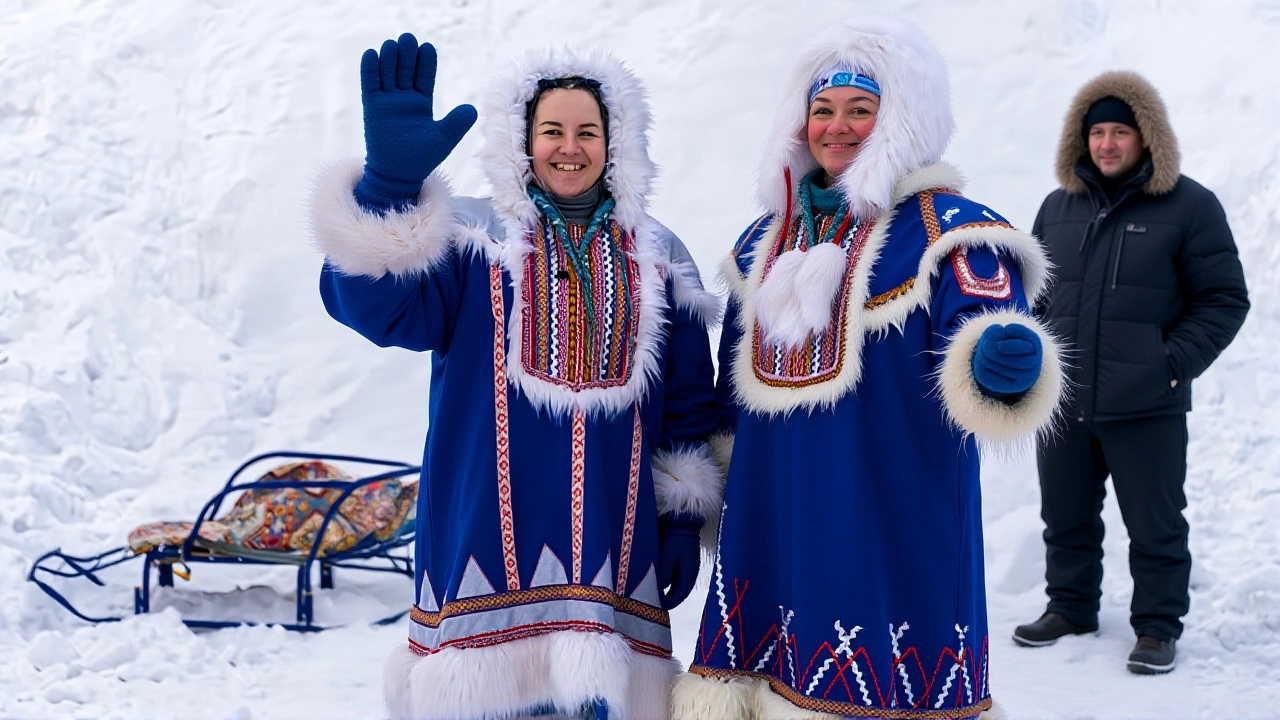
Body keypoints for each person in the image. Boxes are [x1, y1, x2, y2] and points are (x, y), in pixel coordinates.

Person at [309, 34, 723, 720]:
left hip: (615, 558)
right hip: (480, 542)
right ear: (521, 141)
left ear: (616, 142)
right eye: (551, 130)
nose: (569, 147)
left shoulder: (659, 256)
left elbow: (685, 403)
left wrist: (680, 521)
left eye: (587, 131)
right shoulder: (471, 241)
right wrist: (388, 190)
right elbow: (376, 309)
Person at [670, 16, 1064, 720]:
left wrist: (1003, 358)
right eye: (822, 110)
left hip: (888, 519)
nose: (837, 127)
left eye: (860, 110)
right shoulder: (763, 242)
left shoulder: (950, 231)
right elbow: (729, 396)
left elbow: (985, 330)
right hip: (769, 524)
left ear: (901, 121)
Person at [1013, 71, 1249, 675]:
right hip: (1064, 401)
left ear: (1146, 137)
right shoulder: (1057, 207)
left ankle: (1157, 628)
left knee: (1156, 524)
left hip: (1146, 402)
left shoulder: (1190, 206)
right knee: (1064, 516)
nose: (1108, 145)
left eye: (1121, 131)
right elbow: (1035, 296)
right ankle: (1070, 607)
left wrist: (1169, 365)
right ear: (1081, 139)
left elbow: (1224, 299)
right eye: (1098, 133)